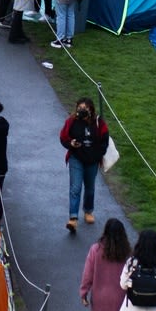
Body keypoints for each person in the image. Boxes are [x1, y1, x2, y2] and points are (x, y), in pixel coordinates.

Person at [60, 96, 109, 232]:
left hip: (92, 161)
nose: (81, 111)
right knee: (75, 188)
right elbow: (63, 137)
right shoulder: (71, 121)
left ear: (91, 110)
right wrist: (71, 143)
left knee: (90, 187)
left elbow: (104, 141)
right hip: (76, 158)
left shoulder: (99, 123)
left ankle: (88, 211)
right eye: (79, 108)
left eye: (85, 108)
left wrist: (97, 155)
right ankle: (73, 218)